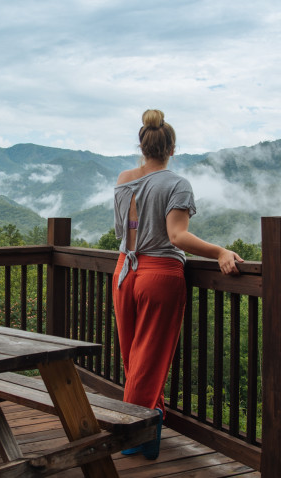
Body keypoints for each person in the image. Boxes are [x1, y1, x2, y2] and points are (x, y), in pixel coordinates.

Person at [112, 109, 243, 460]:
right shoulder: (176, 184)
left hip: (124, 271)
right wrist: (219, 251)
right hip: (159, 274)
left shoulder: (124, 179)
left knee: (133, 357)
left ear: (142, 146)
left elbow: (121, 233)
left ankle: (148, 426)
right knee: (149, 358)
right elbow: (177, 235)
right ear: (172, 148)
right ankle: (134, 432)